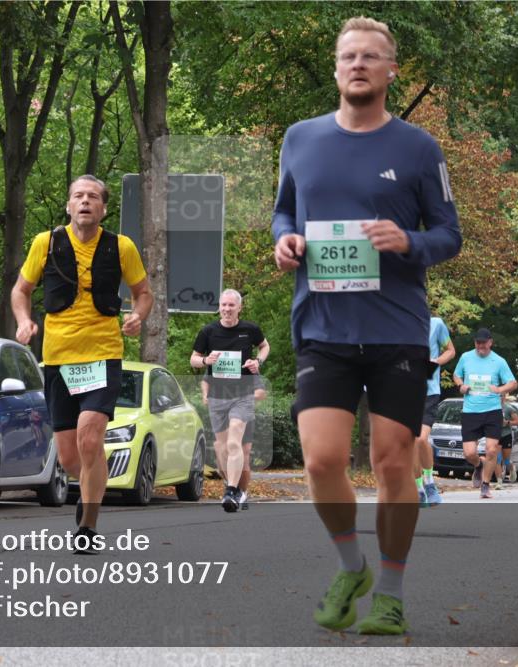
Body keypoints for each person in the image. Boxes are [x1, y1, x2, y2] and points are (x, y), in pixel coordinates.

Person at [271, 16, 462, 635]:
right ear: (335, 67)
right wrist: (286, 243)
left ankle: (392, 592)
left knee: (391, 463)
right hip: (323, 324)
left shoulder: (418, 148)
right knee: (322, 459)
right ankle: (351, 566)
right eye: (348, 55)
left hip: (397, 330)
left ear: (390, 70)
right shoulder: (300, 139)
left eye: (371, 57)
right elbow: (281, 215)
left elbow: (449, 236)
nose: (358, 64)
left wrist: (406, 240)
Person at [12, 175, 152, 553]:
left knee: (91, 437)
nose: (85, 201)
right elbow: (21, 291)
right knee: (72, 456)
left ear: (103, 208)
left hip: (103, 354)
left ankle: (88, 526)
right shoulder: (47, 242)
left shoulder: (121, 247)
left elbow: (143, 293)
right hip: (58, 358)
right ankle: (88, 492)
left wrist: (138, 316)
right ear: (69, 206)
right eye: (78, 196)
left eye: (92, 196)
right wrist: (25, 321)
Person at [191, 289, 269, 513]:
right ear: (219, 307)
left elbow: (265, 346)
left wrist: (258, 361)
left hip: (242, 395)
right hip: (218, 397)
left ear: (239, 308)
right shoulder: (208, 331)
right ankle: (231, 485)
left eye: (231, 306)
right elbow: (194, 359)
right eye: (223, 305)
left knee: (236, 443)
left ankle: (232, 490)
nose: (226, 309)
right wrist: (206, 359)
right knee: (223, 449)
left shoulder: (250, 330)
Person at [453, 329, 518, 499]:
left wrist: (499, 389)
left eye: (483, 342)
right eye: (477, 342)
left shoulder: (499, 361)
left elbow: (513, 382)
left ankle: (486, 484)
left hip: (492, 411)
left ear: (490, 342)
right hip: (470, 411)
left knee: (491, 450)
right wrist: (461, 385)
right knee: (469, 453)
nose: (480, 346)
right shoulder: (466, 357)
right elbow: (456, 375)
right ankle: (478, 465)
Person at [200, 372, 268, 510]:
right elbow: (205, 381)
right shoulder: (221, 367)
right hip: (222, 412)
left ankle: (242, 493)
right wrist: (205, 395)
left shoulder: (248, 369)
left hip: (243, 414)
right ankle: (232, 485)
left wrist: (240, 398)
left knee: (244, 453)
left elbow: (261, 393)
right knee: (221, 449)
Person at [414, 315, 455, 507]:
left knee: (420, 439)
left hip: (429, 391)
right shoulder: (396, 325)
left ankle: (430, 483)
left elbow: (450, 351)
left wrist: (436, 362)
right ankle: (418, 488)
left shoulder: (436, 324)